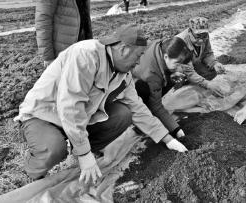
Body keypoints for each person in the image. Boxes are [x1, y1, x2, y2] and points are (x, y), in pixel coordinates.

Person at [14, 25, 188, 184]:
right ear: (124, 49)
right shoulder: (86, 55)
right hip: (45, 114)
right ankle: (34, 171)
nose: (139, 62)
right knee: (53, 148)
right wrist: (84, 154)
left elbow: (138, 109)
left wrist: (167, 139)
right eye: (139, 55)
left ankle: (81, 150)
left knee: (124, 114)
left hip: (79, 117)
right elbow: (71, 106)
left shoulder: (123, 74)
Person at [132, 37, 192, 138]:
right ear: (165, 56)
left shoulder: (159, 46)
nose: (179, 67)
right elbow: (156, 106)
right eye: (177, 63)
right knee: (145, 91)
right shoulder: (151, 75)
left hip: (140, 77)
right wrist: (176, 129)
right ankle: (141, 119)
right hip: (127, 90)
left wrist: (170, 74)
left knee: (174, 78)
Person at [175, 17, 227, 97]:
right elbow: (188, 71)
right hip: (180, 69)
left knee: (213, 72)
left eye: (204, 36)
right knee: (181, 81)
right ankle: (181, 89)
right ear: (190, 31)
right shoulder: (180, 42)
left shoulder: (205, 36)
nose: (201, 40)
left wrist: (214, 63)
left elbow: (207, 53)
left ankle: (198, 82)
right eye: (198, 36)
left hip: (193, 64)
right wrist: (207, 84)